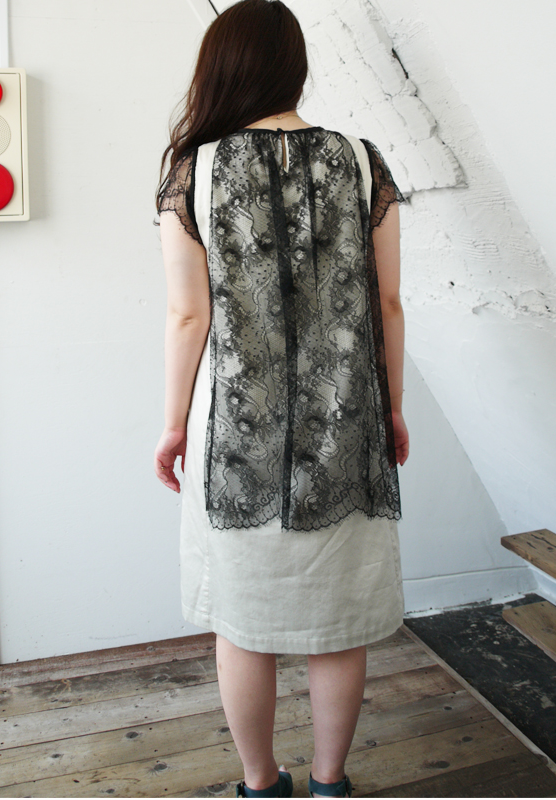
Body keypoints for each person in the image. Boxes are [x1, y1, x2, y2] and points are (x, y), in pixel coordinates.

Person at [153, 1, 409, 796]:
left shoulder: (194, 169)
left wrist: (171, 426)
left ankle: (261, 783)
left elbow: (188, 315)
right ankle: (331, 781)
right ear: (295, 66)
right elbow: (388, 303)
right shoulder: (363, 161)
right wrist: (393, 409)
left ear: (221, 68)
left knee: (244, 622)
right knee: (340, 620)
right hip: (347, 424)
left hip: (236, 434)